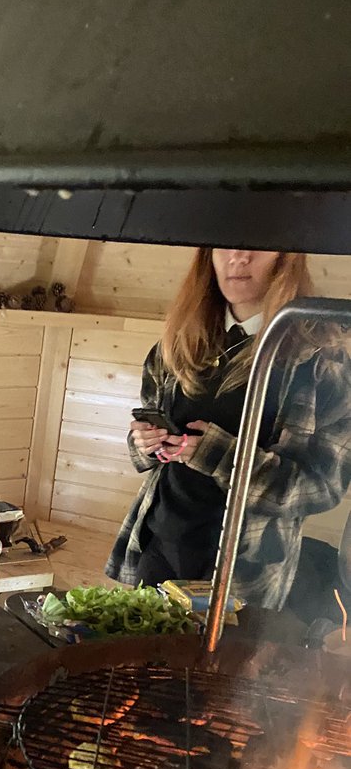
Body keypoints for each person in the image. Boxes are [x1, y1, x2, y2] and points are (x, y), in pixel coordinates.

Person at [106, 248, 351, 607]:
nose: (238, 256)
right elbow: (146, 437)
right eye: (225, 244)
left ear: (287, 257)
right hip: (159, 546)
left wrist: (220, 456)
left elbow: (323, 487)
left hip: (244, 572)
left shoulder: (322, 360)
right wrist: (144, 442)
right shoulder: (178, 342)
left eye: (258, 244)